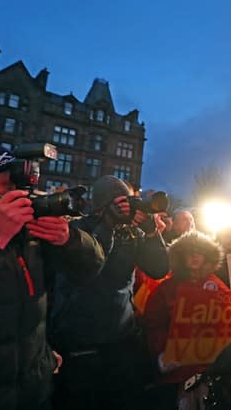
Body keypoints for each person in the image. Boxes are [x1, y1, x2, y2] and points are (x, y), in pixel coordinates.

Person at [0, 143, 105, 410]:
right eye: (7, 185)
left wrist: (69, 239)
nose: (16, 194)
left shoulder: (25, 234)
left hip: (35, 392)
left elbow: (91, 268)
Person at [49, 175, 169, 410]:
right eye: (119, 203)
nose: (126, 208)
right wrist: (107, 225)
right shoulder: (78, 229)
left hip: (120, 338)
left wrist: (152, 233)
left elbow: (159, 269)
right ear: (103, 205)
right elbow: (87, 267)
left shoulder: (131, 234)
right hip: (79, 339)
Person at [143, 231, 227, 409]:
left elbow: (229, 319)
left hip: (207, 363)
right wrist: (163, 352)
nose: (195, 256)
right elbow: (153, 324)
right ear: (180, 257)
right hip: (177, 365)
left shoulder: (216, 284)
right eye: (190, 252)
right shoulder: (167, 288)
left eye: (200, 251)